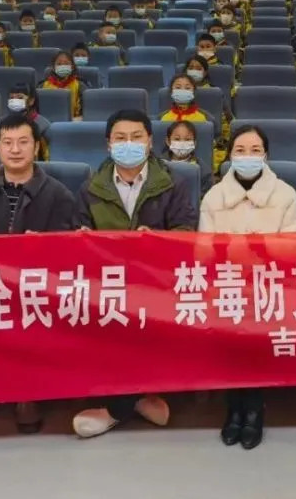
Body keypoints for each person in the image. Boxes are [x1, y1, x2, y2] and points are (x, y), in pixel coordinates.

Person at [72, 110, 197, 439]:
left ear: (150, 142)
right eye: (120, 138)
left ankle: (119, 408)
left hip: (158, 281)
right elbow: (77, 233)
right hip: (108, 284)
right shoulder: (90, 188)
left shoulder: (173, 184)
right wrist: (83, 239)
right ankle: (136, 398)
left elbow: (187, 232)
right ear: (108, 144)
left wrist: (158, 241)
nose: (129, 143)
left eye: (136, 137)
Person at [0, 114, 76, 432]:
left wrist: (46, 246)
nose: (15, 149)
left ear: (36, 147)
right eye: (7, 143)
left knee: (30, 312)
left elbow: (70, 248)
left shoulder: (59, 194)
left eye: (23, 142)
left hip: (38, 284)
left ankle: (27, 394)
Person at [199, 125, 296, 450]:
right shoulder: (214, 196)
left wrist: (260, 251)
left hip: (272, 284)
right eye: (240, 150)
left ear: (266, 155)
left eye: (255, 150)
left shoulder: (285, 194)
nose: (248, 156)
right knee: (232, 331)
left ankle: (254, 408)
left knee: (256, 330)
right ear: (230, 155)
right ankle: (234, 408)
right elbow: (203, 251)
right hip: (227, 284)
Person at [163, 120, 212, 194]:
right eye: (177, 139)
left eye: (188, 139)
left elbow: (207, 195)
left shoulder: (203, 170)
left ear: (194, 143)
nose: (182, 143)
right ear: (168, 141)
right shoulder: (158, 165)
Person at [7, 83, 51, 159]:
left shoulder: (44, 125)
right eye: (11, 98)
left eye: (20, 98)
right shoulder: (4, 122)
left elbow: (46, 156)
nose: (14, 101)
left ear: (31, 100)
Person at [39, 50, 83, 118]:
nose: (63, 66)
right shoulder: (42, 86)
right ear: (53, 68)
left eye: (66, 64)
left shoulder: (80, 85)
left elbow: (85, 111)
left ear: (72, 67)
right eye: (59, 64)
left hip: (74, 121)